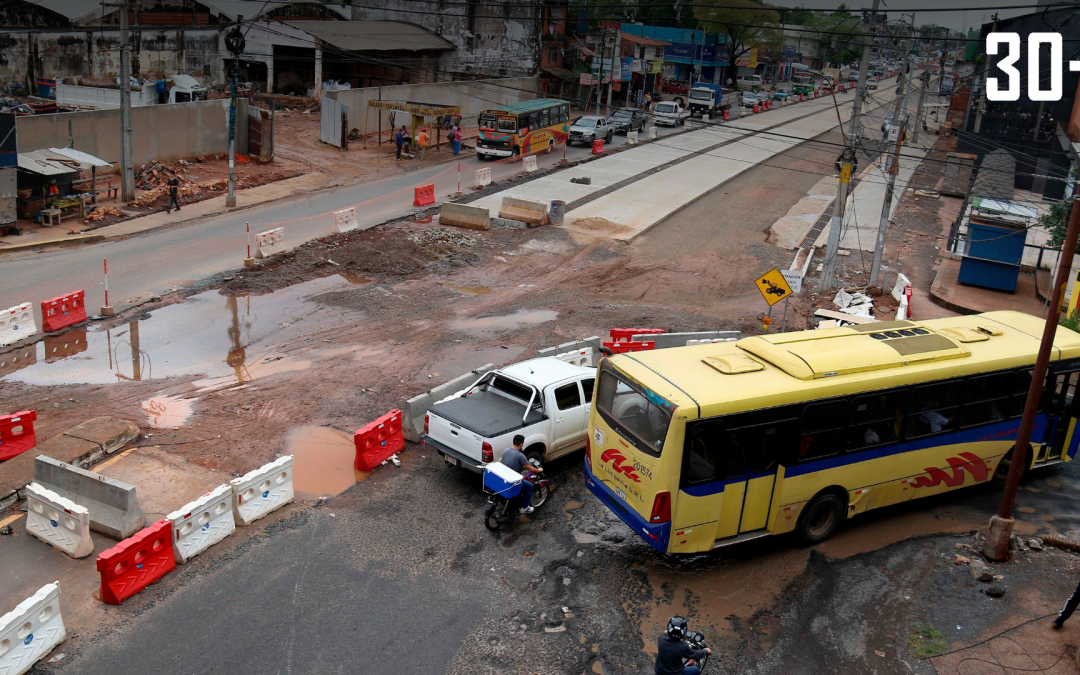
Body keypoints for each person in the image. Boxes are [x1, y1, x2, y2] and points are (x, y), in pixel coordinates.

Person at [500, 435, 536, 514]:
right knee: (530, 486)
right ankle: (525, 507)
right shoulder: (520, 455)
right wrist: (539, 469)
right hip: (512, 480)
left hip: (502, 476)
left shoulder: (506, 450)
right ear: (521, 444)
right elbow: (529, 468)